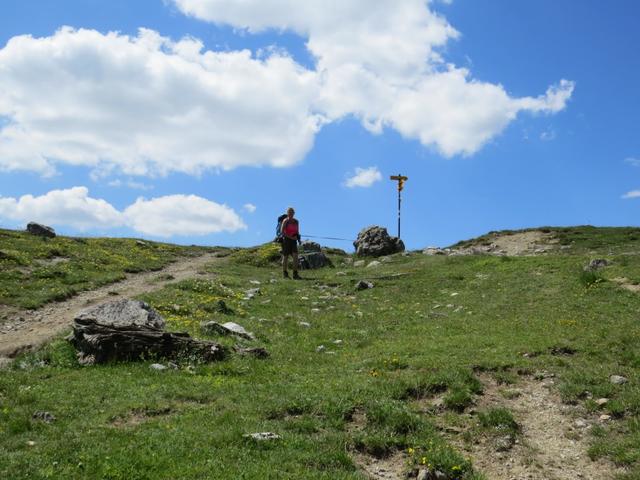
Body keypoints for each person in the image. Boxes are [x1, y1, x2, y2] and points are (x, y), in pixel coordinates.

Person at [280, 207, 301, 279]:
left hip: (294, 241)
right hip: (286, 241)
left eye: (292, 212)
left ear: (294, 213)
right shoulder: (285, 221)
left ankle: (295, 274)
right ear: (287, 213)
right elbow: (282, 232)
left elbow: (297, 232)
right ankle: (285, 273)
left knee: (295, 257)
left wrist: (298, 238)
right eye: (289, 212)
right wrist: (291, 237)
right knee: (285, 257)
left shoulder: (296, 221)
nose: (291, 214)